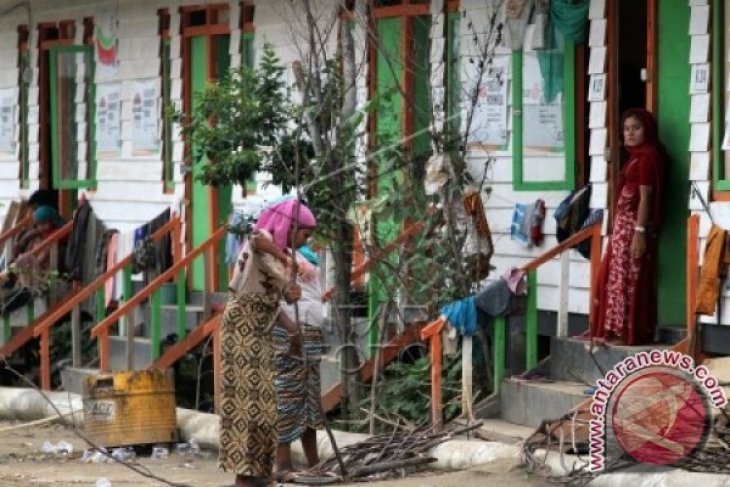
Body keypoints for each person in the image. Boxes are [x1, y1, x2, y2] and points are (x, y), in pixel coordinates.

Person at [219, 199, 316, 487]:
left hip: (261, 331)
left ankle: (260, 472)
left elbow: (273, 301)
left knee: (266, 404)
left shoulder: (280, 254)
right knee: (247, 405)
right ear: (290, 226)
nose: (304, 241)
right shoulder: (266, 241)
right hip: (241, 331)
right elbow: (256, 241)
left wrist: (292, 328)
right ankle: (244, 476)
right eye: (303, 234)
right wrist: (289, 263)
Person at [591, 108, 664, 345]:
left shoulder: (645, 159)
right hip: (623, 228)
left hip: (633, 227)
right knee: (617, 278)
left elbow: (645, 198)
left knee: (629, 280)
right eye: (626, 128)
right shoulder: (635, 156)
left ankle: (627, 333)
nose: (630, 133)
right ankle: (615, 330)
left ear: (648, 130)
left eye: (636, 128)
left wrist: (639, 233)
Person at [273, 243, 324, 482]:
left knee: (310, 398)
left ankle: (313, 462)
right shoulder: (274, 253)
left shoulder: (304, 253)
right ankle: (282, 463)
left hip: (311, 329)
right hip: (290, 331)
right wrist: (291, 330)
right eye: (304, 230)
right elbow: (272, 295)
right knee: (287, 395)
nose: (308, 235)